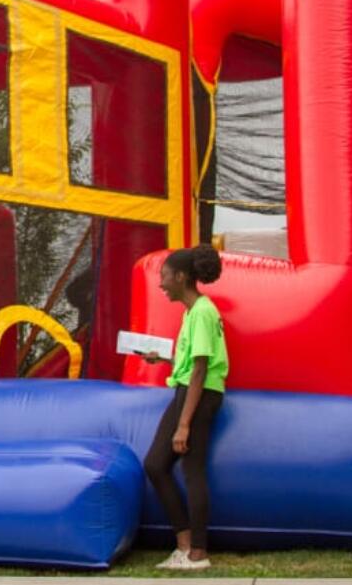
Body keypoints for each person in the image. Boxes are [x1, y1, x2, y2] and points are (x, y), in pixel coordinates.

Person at [141, 244, 228, 571]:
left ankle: (196, 552)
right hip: (193, 391)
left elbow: (202, 368)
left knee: (189, 470)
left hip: (199, 394)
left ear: (181, 276)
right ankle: (187, 544)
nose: (161, 284)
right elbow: (193, 360)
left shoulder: (203, 311)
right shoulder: (194, 312)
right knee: (157, 465)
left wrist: (184, 424)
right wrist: (164, 358)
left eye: (164, 277)